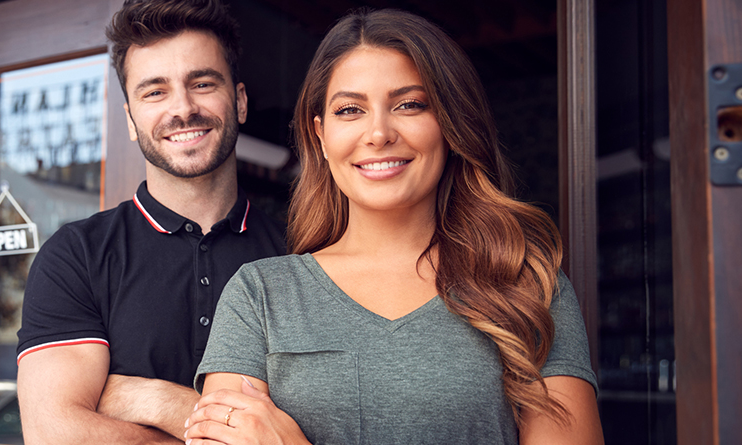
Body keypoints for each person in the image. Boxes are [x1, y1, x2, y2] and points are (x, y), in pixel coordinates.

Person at [185, 8, 603, 445]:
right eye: (350, 109)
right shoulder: (260, 297)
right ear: (321, 136)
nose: (379, 133)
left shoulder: (528, 286)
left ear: (449, 123)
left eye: (410, 104)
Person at [16, 1, 285, 443]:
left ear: (239, 102)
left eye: (201, 83)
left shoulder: (305, 249)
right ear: (129, 118)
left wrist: (154, 399)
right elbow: (55, 433)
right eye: (154, 92)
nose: (182, 108)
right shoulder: (77, 257)